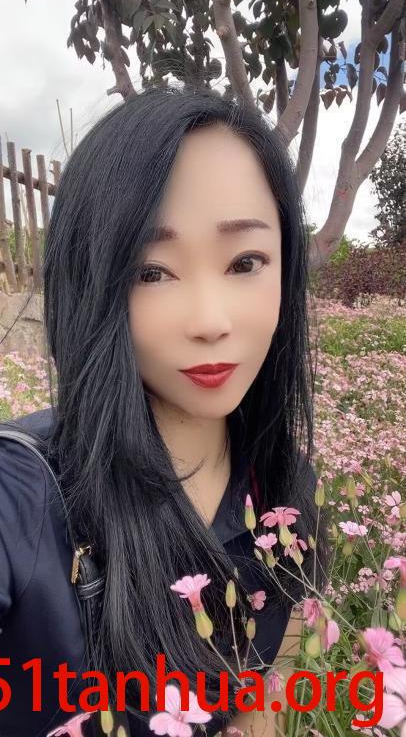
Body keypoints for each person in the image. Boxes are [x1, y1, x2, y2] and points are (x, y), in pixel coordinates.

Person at [0, 84, 330, 737]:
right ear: (92, 283)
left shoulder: (288, 487)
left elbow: (273, 670)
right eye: (151, 272)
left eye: (245, 261)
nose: (210, 321)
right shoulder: (23, 496)